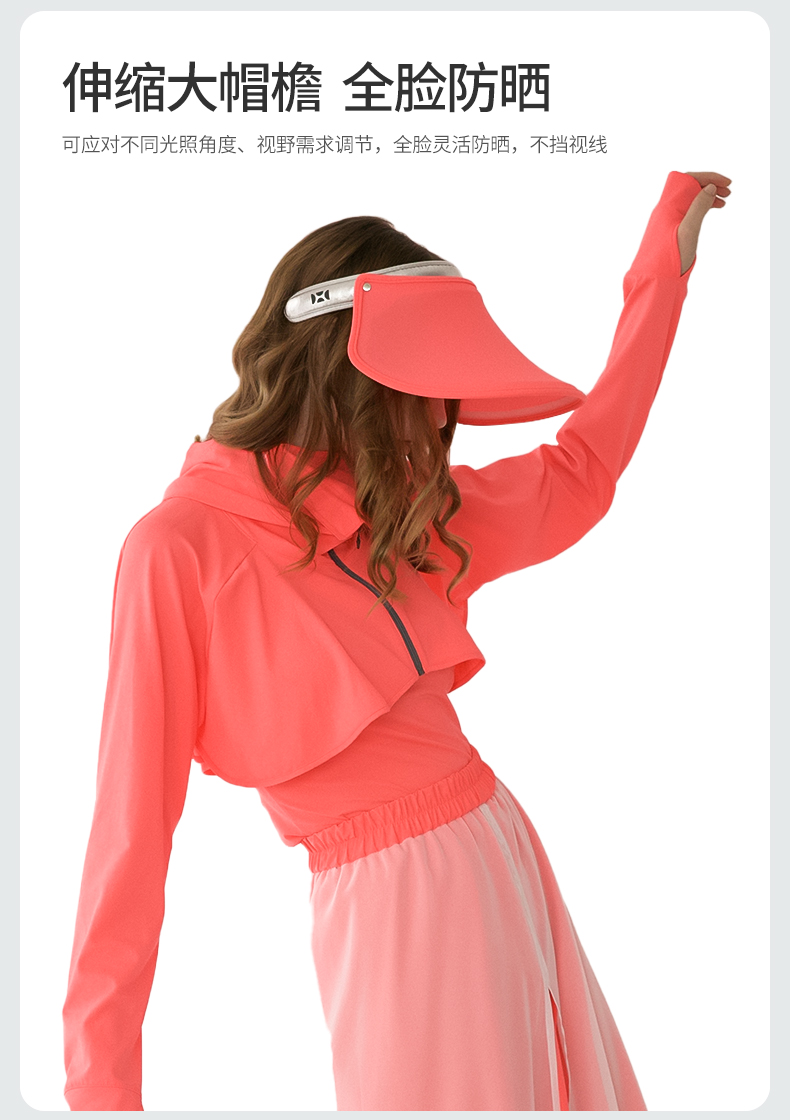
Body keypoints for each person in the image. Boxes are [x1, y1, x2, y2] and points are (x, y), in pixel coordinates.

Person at [61, 169, 730, 1111]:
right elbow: (129, 835)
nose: (438, 417)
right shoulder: (177, 549)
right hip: (395, 904)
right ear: (349, 370)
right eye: (421, 384)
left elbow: (580, 472)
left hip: (492, 855)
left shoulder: (397, 515)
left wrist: (663, 272)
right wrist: (100, 1091)